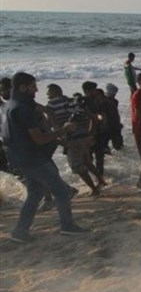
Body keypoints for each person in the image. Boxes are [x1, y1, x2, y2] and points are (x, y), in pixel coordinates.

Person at [1, 72, 89, 242]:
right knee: (62, 192)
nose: (36, 90)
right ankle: (67, 226)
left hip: (19, 158)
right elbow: (39, 139)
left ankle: (20, 231)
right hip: (34, 158)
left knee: (35, 192)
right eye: (33, 86)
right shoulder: (22, 109)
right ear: (22, 87)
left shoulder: (9, 106)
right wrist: (64, 129)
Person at [104, 83, 124, 150]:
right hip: (109, 126)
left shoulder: (115, 101)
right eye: (114, 93)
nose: (114, 94)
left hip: (114, 125)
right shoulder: (104, 101)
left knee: (118, 145)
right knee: (105, 145)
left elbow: (115, 115)